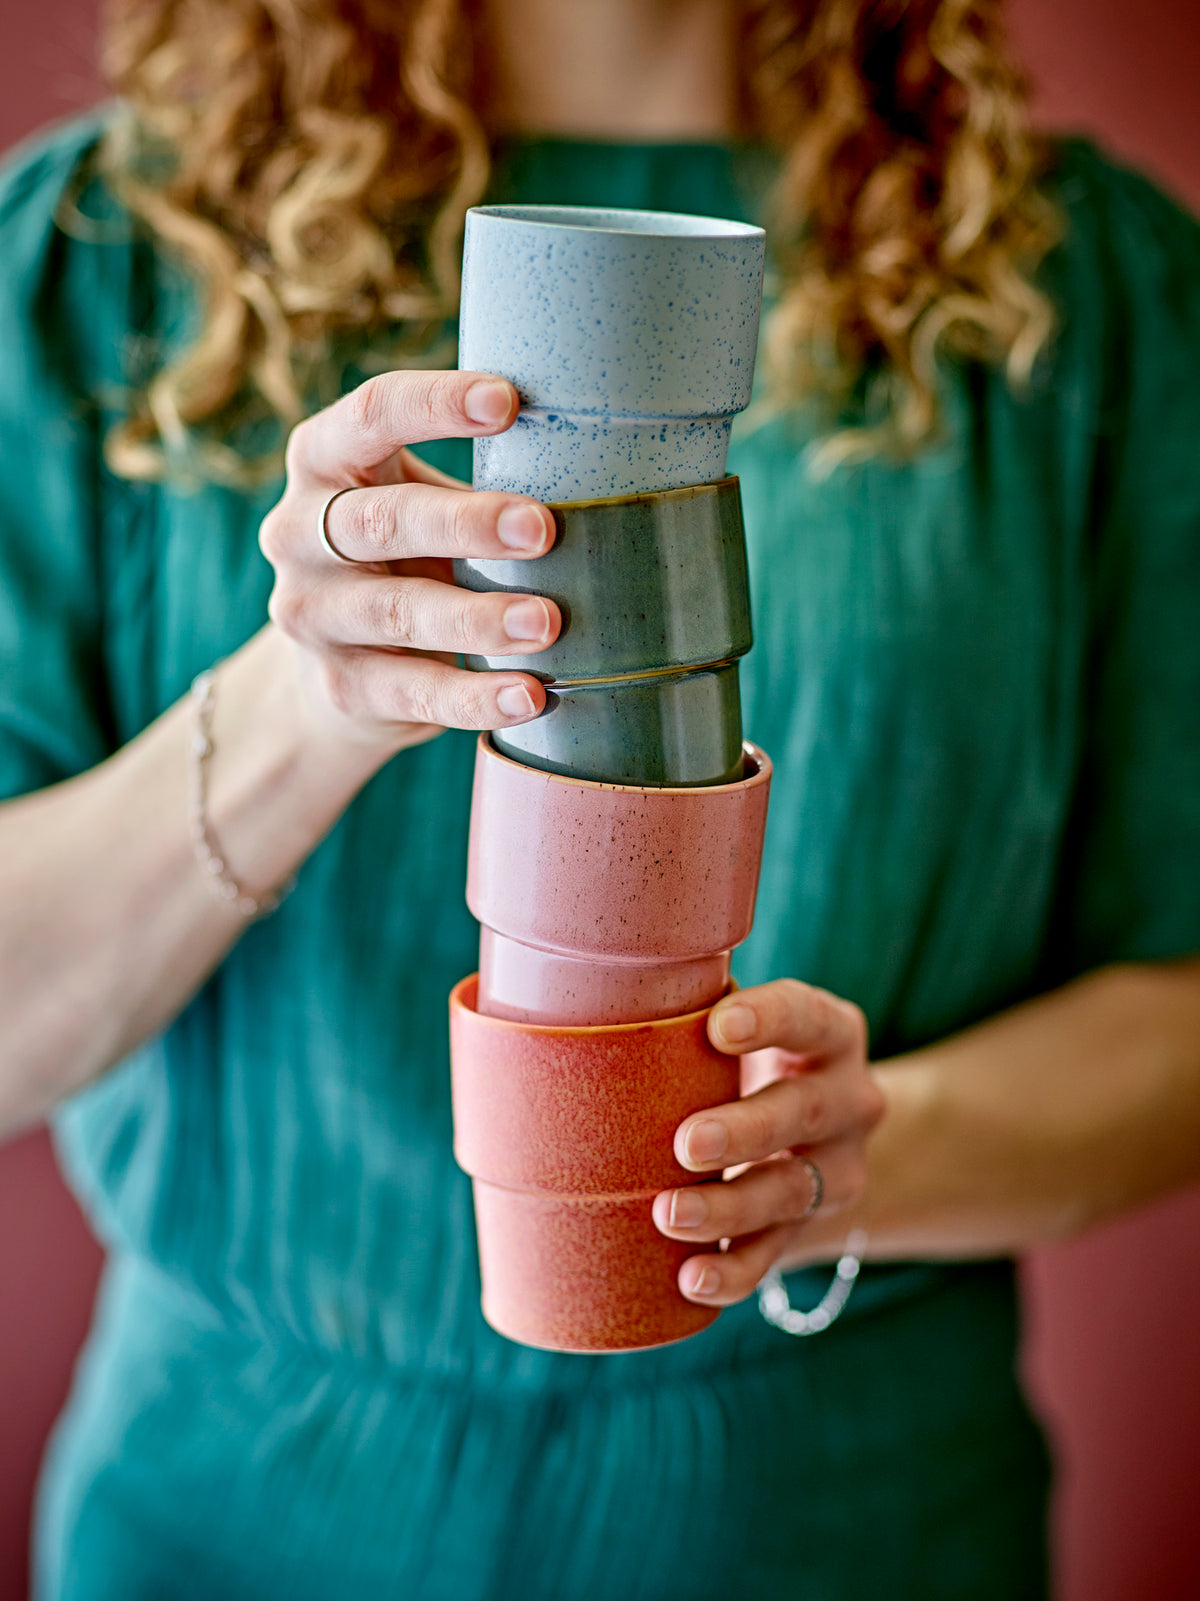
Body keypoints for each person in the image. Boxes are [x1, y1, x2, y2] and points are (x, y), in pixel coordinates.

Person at [2, 0, 1199, 1596]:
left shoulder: (1091, 293)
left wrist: (860, 1157)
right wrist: (304, 703)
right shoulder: (91, 257)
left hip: (849, 1522)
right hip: (222, 1524)